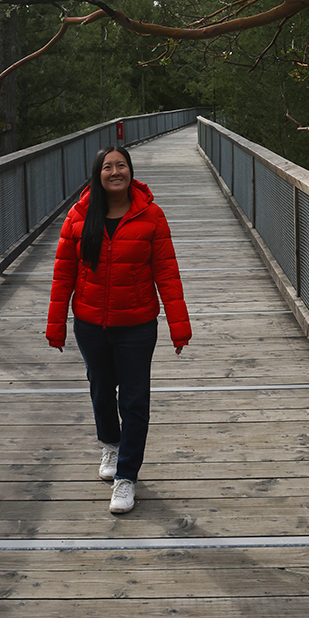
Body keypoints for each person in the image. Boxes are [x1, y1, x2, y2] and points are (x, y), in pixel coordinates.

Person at [45, 145, 192, 515]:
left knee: (135, 400)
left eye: (121, 165)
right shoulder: (79, 217)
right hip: (91, 324)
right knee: (100, 390)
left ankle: (126, 477)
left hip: (137, 324)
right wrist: (56, 324)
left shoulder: (151, 216)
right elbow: (63, 275)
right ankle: (111, 443)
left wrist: (179, 325)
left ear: (131, 171)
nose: (115, 172)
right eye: (107, 167)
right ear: (98, 174)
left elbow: (167, 274)